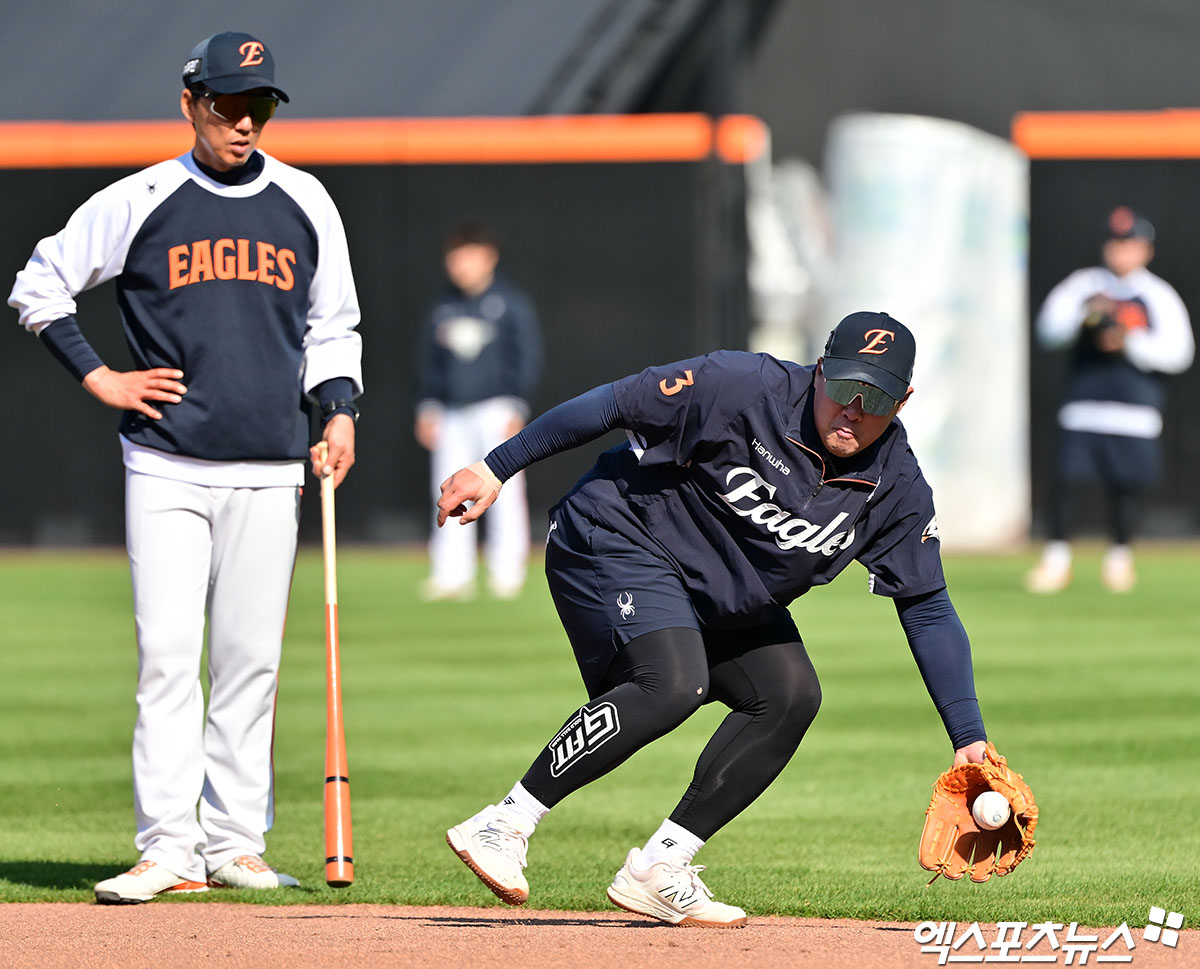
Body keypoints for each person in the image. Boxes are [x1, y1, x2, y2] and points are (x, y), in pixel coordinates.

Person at [437, 311, 989, 927]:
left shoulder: (895, 487)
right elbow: (612, 403)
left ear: (905, 399)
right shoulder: (741, 386)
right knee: (672, 680)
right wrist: (496, 467)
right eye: (844, 389)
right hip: (619, 532)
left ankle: (661, 867)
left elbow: (927, 604)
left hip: (722, 591)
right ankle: (505, 821)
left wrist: (969, 739)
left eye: (876, 398)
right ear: (820, 370)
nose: (853, 411)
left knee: (789, 693)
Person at [7, 31, 363, 904]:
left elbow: (334, 326)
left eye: (260, 106)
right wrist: (100, 375)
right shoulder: (143, 198)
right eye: (228, 104)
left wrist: (341, 411)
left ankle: (235, 842)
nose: (245, 121)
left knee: (250, 663)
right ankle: (167, 847)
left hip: (273, 466)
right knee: (168, 658)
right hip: (166, 463)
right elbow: (38, 284)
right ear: (191, 104)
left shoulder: (306, 201)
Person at [1026, 206, 1194, 594]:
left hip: (1135, 411)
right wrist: (1087, 319)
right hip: (1084, 407)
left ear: (1145, 249)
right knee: (1067, 486)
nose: (1121, 251)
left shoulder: (1158, 294)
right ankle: (1056, 561)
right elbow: (1050, 332)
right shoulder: (1084, 285)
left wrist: (1127, 340)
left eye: (1129, 243)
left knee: (1126, 489)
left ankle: (1120, 560)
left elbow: (1179, 352)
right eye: (1115, 242)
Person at [414, 222, 542, 600]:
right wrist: (427, 406)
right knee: (449, 489)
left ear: (489, 258)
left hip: (496, 409)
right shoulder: (442, 307)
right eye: (455, 256)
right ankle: (452, 572)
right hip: (451, 412)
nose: (461, 264)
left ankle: (507, 570)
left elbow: (527, 357)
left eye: (469, 254)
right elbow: (427, 362)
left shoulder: (509, 304)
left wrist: (517, 403)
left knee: (505, 485)